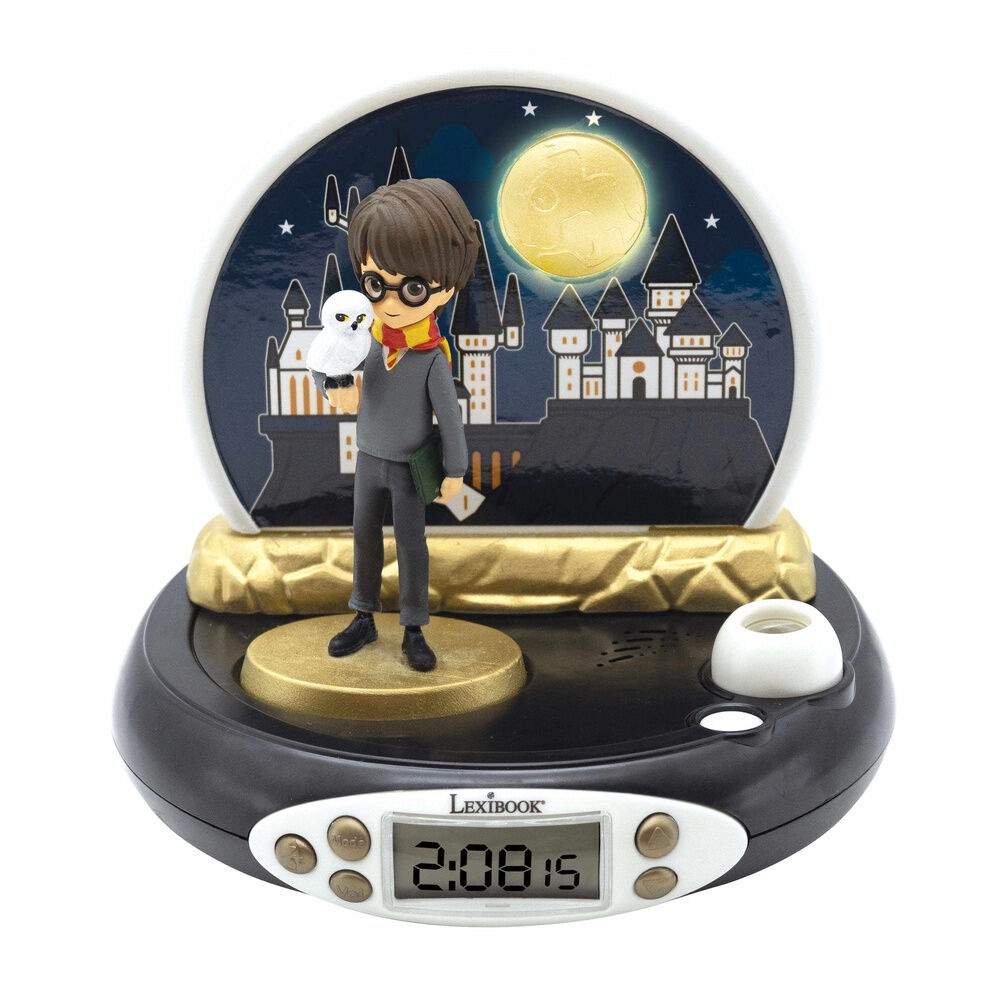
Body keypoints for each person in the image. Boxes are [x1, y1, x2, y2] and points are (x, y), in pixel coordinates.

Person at [327, 178, 477, 670]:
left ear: (446, 289)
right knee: (363, 536)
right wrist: (334, 386)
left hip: (411, 468)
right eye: (376, 284)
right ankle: (363, 615)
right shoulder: (363, 339)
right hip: (368, 459)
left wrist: (455, 470)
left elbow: (450, 418)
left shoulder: (431, 357)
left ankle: (413, 626)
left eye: (412, 288)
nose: (389, 302)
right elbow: (326, 362)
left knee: (412, 545)